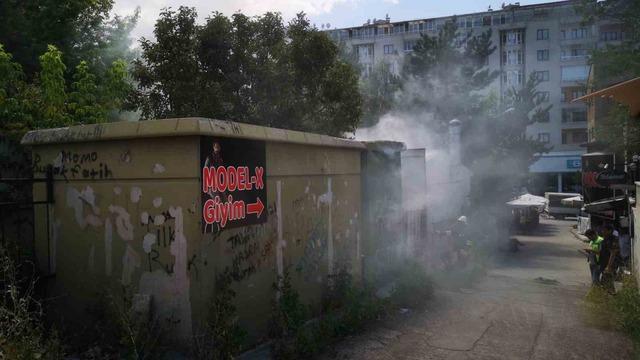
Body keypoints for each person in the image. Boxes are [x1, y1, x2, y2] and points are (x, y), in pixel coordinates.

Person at [599, 224, 620, 292]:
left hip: (610, 264)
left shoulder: (613, 239)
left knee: (609, 281)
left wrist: (609, 266)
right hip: (604, 263)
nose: (602, 232)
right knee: (605, 282)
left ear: (610, 231)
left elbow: (613, 253)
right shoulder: (605, 239)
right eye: (602, 230)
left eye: (604, 230)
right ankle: (607, 294)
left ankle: (611, 295)